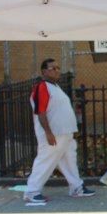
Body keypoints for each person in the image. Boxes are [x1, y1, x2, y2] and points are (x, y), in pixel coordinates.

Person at [23, 59, 94, 203]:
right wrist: (48, 133)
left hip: (65, 133)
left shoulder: (54, 87)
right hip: (54, 134)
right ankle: (32, 191)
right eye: (52, 68)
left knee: (69, 161)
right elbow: (40, 112)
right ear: (44, 72)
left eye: (57, 68)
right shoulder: (42, 87)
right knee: (45, 161)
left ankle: (76, 187)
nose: (56, 70)